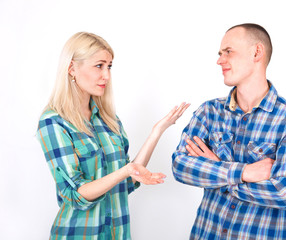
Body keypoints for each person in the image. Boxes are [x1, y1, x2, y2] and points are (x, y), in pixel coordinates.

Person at [37, 32, 189, 240]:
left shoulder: (108, 120)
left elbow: (128, 182)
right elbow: (75, 195)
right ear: (72, 68)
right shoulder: (53, 122)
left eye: (109, 66)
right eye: (99, 66)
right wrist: (125, 171)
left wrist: (157, 131)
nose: (106, 76)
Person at [172, 23, 286, 239]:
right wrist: (245, 173)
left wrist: (218, 171)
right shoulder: (209, 112)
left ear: (257, 52)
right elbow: (180, 166)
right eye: (220, 53)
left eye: (228, 52)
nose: (219, 60)